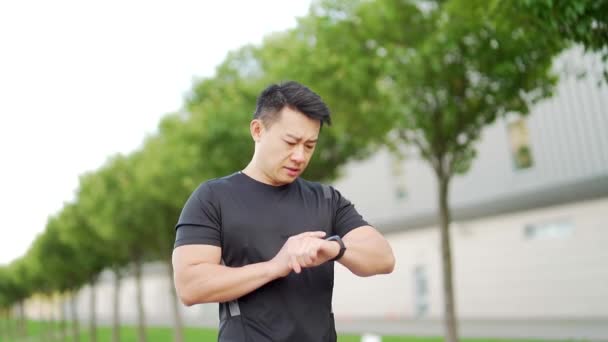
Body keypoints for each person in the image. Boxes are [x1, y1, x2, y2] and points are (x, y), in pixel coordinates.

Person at [172, 81, 395, 341]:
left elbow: (383, 258)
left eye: (309, 145)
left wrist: (335, 248)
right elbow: (190, 286)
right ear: (258, 130)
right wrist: (276, 266)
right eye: (291, 142)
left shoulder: (326, 198)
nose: (300, 156)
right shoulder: (213, 198)